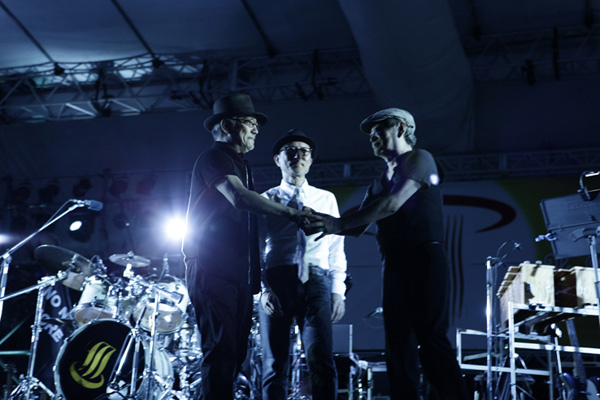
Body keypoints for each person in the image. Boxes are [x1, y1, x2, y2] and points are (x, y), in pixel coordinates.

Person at [304, 108, 469, 400]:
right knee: (398, 345)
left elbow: (392, 204)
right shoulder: (378, 182)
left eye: (379, 130)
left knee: (431, 339)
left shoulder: (420, 158)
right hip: (393, 265)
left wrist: (336, 224)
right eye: (371, 134)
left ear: (401, 128)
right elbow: (357, 226)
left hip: (424, 258)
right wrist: (320, 222)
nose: (372, 137)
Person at [182, 93, 316, 400]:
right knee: (221, 351)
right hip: (211, 268)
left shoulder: (240, 164)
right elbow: (239, 197)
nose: (256, 129)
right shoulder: (214, 158)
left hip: (237, 272)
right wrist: (293, 214)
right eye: (249, 122)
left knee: (235, 353)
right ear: (227, 125)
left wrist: (259, 279)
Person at [258, 129, 347, 400]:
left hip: (317, 281)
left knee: (321, 359)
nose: (298, 156)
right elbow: (255, 249)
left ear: (311, 160)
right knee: (275, 363)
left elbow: (336, 247)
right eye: (290, 151)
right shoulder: (266, 199)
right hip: (278, 279)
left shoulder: (326, 198)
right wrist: (263, 290)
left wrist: (338, 291)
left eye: (304, 151)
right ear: (278, 159)